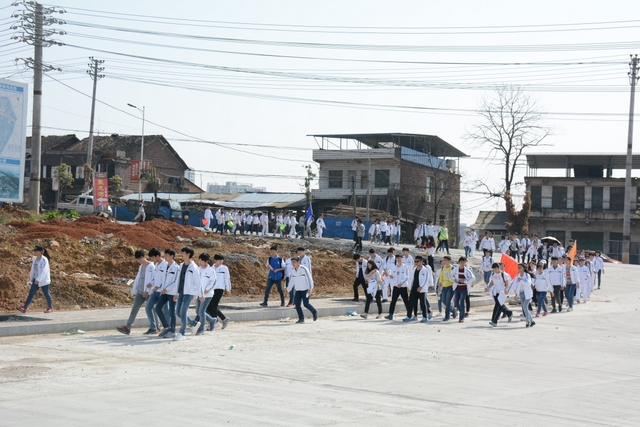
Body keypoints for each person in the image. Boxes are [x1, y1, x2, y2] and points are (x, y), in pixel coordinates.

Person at [116, 249, 155, 335]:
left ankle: (155, 327)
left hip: (148, 293)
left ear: (145, 256)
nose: (139, 260)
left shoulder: (151, 266)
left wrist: (147, 291)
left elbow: (154, 279)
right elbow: (139, 279)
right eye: (137, 259)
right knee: (134, 309)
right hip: (140, 292)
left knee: (150, 309)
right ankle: (128, 327)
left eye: (140, 258)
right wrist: (136, 290)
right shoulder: (141, 267)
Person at [173, 246, 201, 341]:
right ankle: (193, 323)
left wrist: (200, 295)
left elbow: (198, 282)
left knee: (183, 312)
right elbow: (178, 280)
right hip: (181, 292)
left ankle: (182, 332)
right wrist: (175, 293)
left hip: (189, 293)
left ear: (188, 254)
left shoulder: (194, 267)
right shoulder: (181, 265)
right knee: (178, 312)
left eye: (183, 253)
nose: (181, 255)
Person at [17, 246, 54, 314]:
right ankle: (24, 308)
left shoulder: (44, 260)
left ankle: (50, 307)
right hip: (35, 279)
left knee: (46, 293)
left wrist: (39, 279)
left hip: (43, 280)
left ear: (40, 252)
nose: (34, 252)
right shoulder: (34, 259)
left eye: (36, 251)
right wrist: (32, 278)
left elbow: (44, 271)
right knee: (31, 293)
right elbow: (33, 270)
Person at [143, 247, 169, 335]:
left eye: (152, 257)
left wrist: (159, 286)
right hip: (156, 291)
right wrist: (151, 283)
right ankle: (153, 327)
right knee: (148, 307)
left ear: (157, 256)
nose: (152, 259)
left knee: (165, 311)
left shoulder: (165, 265)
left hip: (163, 292)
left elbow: (165, 279)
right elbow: (156, 278)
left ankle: (168, 328)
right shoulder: (156, 265)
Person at [190, 253, 216, 335]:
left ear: (206, 261)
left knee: (201, 311)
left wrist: (207, 289)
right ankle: (212, 320)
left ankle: (201, 328)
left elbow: (213, 282)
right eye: (199, 260)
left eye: (201, 260)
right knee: (198, 311)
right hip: (199, 294)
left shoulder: (211, 270)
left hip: (207, 294)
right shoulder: (197, 269)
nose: (200, 262)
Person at [287, 256, 318, 324]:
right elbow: (291, 281)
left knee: (306, 304)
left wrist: (310, 288)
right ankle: (301, 318)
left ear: (298, 262)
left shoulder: (304, 269)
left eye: (294, 262)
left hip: (305, 290)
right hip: (298, 290)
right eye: (292, 262)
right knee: (297, 305)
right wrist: (288, 290)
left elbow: (309, 279)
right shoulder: (293, 271)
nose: (293, 264)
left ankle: (314, 312)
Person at [156, 249, 179, 339]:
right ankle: (166, 327)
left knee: (172, 312)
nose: (165, 257)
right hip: (164, 292)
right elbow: (163, 279)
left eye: (167, 255)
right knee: (157, 308)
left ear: (172, 256)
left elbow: (176, 282)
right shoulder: (165, 266)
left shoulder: (176, 268)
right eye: (165, 255)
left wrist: (167, 289)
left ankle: (173, 331)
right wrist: (160, 287)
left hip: (172, 292)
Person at [205, 254, 231, 331]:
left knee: (213, 306)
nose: (221, 261)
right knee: (210, 306)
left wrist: (228, 289)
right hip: (211, 289)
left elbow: (227, 279)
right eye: (219, 260)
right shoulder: (211, 268)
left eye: (222, 260)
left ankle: (215, 322)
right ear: (215, 260)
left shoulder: (224, 268)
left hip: (219, 289)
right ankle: (223, 319)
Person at [404, 256, 432, 323]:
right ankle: (409, 316)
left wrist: (421, 286)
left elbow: (425, 279)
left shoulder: (425, 270)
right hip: (414, 287)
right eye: (415, 261)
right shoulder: (414, 269)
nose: (416, 263)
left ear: (421, 261)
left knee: (422, 303)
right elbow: (411, 278)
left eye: (418, 261)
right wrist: (410, 287)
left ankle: (425, 317)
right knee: (411, 302)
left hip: (421, 289)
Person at [486, 262, 513, 327]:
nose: (495, 270)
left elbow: (507, 283)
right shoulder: (493, 274)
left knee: (497, 306)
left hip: (501, 292)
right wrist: (488, 287)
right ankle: (509, 313)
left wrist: (506, 289)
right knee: (500, 305)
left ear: (498, 268)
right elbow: (492, 282)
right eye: (493, 269)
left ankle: (494, 321)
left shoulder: (504, 274)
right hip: (495, 291)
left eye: (496, 269)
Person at [450, 257, 475, 323]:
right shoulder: (455, 269)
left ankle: (461, 317)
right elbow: (450, 275)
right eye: (461, 262)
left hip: (464, 289)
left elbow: (473, 278)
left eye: (464, 262)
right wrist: (454, 280)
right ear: (459, 263)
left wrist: (465, 281)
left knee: (462, 302)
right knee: (455, 301)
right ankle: (461, 311)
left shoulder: (467, 270)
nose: (462, 264)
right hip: (457, 288)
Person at [385, 254, 410, 320]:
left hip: (403, 286)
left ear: (402, 259)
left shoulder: (405, 267)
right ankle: (390, 314)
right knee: (393, 301)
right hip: (396, 286)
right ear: (396, 259)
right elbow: (389, 271)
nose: (399, 259)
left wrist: (401, 283)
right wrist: (390, 275)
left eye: (400, 258)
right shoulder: (394, 267)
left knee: (406, 301)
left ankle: (409, 314)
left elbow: (406, 276)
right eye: (398, 258)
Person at [509, 263, 535, 327]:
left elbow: (528, 283)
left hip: (527, 293)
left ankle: (527, 321)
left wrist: (521, 280)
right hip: (521, 293)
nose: (519, 268)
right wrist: (508, 292)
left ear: (523, 268)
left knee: (525, 307)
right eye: (518, 267)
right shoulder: (517, 276)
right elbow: (513, 284)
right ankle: (532, 320)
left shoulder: (527, 275)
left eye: (520, 267)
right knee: (524, 308)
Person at [437, 255, 457, 321]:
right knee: (443, 300)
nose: (444, 262)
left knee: (448, 301)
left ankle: (447, 316)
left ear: (449, 261)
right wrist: (439, 285)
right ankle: (453, 310)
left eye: (445, 260)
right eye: (443, 260)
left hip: (450, 286)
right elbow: (441, 277)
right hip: (444, 286)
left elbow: (455, 277)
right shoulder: (443, 268)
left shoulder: (453, 268)